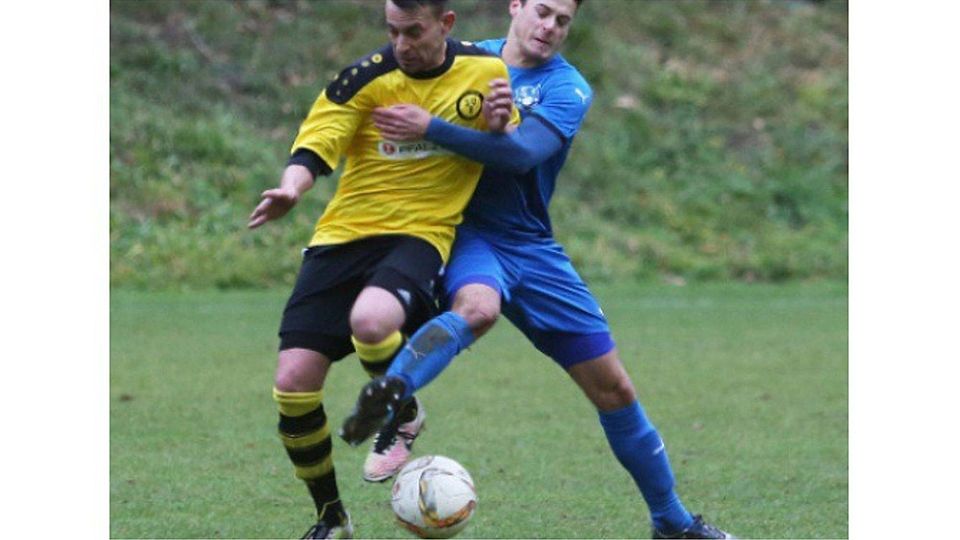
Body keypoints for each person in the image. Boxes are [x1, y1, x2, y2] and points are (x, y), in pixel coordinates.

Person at [339, 1, 734, 538]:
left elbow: (522, 154)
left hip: (534, 249)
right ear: (516, 6)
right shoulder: (465, 59)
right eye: (542, 11)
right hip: (469, 236)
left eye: (563, 21)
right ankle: (393, 400)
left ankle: (672, 523)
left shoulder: (567, 87)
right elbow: (386, 87)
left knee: (615, 390)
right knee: (478, 309)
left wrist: (431, 127)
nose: (549, 27)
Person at [247, 0, 518, 537]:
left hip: (420, 234)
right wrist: (290, 189)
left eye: (414, 31)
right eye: (393, 31)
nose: (402, 44)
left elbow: (507, 146)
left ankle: (401, 407)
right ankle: (331, 518)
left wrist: (496, 128)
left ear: (446, 24)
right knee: (293, 383)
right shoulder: (364, 79)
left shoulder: (485, 73)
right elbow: (317, 144)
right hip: (341, 237)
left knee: (371, 321)